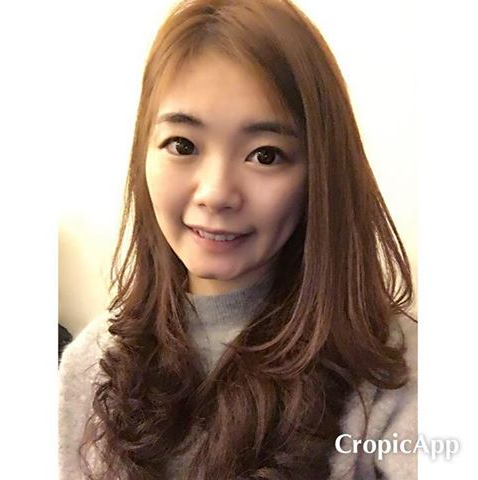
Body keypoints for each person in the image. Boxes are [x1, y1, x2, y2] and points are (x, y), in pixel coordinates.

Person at [59, 0, 417, 478]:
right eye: (182, 145)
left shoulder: (395, 373)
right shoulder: (90, 363)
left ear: (320, 173)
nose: (215, 193)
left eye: (265, 155)